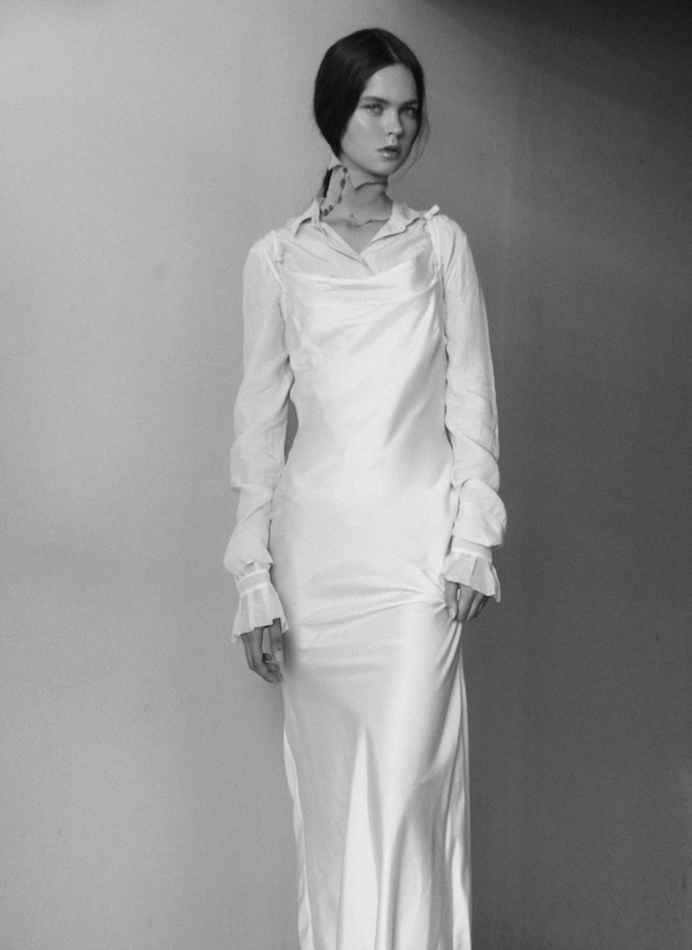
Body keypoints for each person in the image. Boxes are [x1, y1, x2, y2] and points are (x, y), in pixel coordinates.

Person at [224, 27, 506, 950]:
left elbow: (472, 404)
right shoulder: (277, 259)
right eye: (375, 107)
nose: (395, 129)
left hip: (415, 567)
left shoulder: (440, 247)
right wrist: (253, 578)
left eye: (408, 111)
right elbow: (258, 430)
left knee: (407, 804)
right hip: (316, 574)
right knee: (335, 816)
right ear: (335, 113)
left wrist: (474, 538)